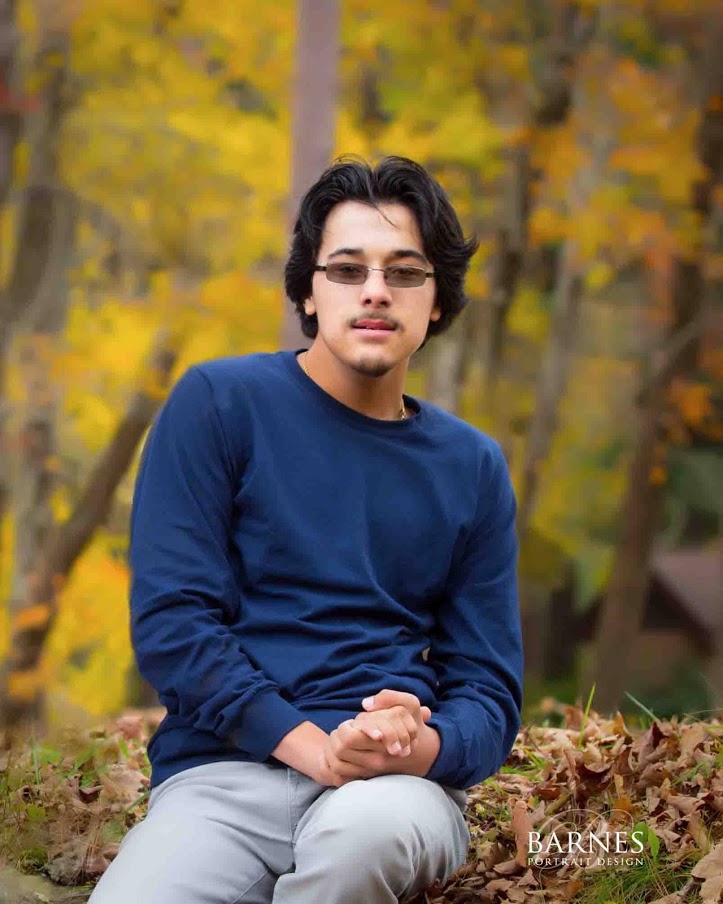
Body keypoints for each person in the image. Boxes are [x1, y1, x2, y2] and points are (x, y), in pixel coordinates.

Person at [89, 155, 524, 904]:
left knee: (361, 843)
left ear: (438, 302)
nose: (376, 293)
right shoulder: (219, 404)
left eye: (405, 272)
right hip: (222, 780)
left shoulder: (472, 465)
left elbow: (487, 689)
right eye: (347, 269)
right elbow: (173, 624)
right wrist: (313, 749)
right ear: (309, 292)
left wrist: (413, 744)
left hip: (394, 795)